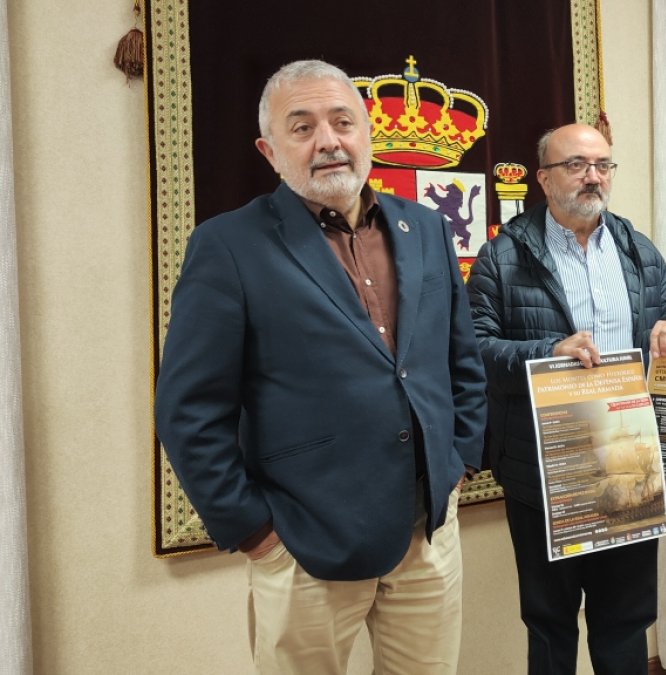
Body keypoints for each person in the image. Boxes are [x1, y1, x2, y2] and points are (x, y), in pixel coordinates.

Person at [154, 59, 487, 675]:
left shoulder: (427, 229)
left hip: (429, 535)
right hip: (305, 541)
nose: (328, 140)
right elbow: (188, 410)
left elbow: (459, 360)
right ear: (269, 149)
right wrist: (257, 534)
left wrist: (458, 459)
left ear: (367, 133)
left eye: (343, 122)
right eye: (302, 126)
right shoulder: (228, 246)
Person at [466, 123, 666, 675]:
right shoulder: (501, 257)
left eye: (603, 165)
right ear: (544, 178)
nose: (592, 176)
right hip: (545, 471)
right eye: (575, 165)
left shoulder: (639, 251)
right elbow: (473, 351)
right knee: (550, 623)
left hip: (631, 461)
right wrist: (550, 352)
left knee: (625, 619)